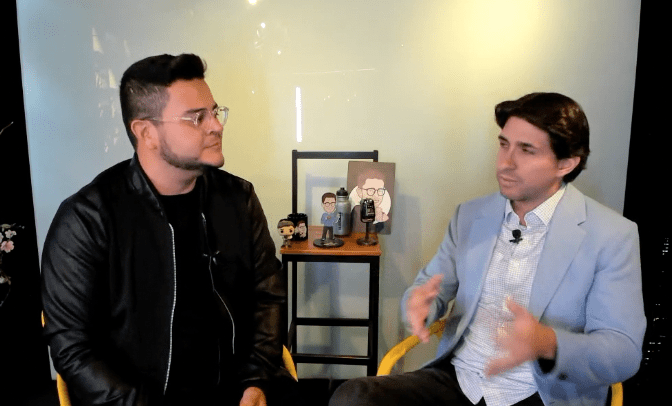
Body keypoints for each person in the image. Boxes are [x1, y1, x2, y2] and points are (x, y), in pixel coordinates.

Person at [330, 92, 645, 406]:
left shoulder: (612, 236)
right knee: (353, 397)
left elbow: (623, 353)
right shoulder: (470, 216)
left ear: (565, 163)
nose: (505, 163)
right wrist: (418, 305)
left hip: (544, 392)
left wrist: (546, 342)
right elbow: (430, 288)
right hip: (460, 380)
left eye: (526, 150)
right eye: (504, 144)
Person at [41, 54, 296, 406]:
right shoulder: (87, 219)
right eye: (196, 118)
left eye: (215, 112)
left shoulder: (238, 199)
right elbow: (73, 348)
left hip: (238, 391)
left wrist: (255, 382)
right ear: (147, 133)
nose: (216, 126)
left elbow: (267, 296)